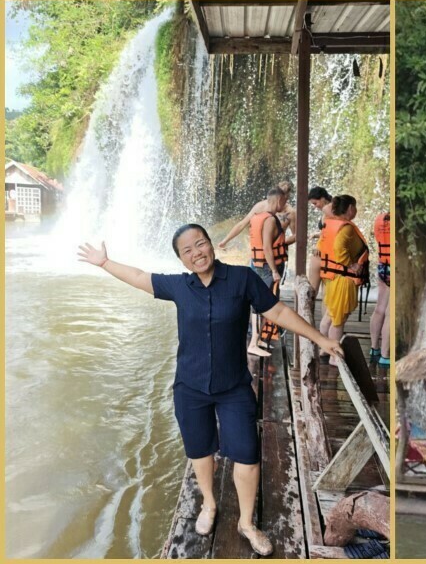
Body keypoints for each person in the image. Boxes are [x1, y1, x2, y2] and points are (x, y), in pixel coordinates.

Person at [77, 224, 343, 557]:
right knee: (200, 451)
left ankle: (246, 523)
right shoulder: (180, 286)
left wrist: (320, 338)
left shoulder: (241, 279)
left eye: (200, 244)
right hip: (190, 388)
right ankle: (209, 503)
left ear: (211, 245)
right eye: (187, 250)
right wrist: (105, 262)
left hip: (234, 386)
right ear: (181, 259)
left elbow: (277, 310)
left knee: (247, 454)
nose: (196, 253)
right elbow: (139, 276)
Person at [320, 195, 369, 366]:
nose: (356, 210)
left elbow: (321, 246)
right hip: (343, 279)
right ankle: (334, 357)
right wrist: (351, 265)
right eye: (355, 207)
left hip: (332, 277)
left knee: (329, 316)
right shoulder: (346, 228)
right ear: (350, 208)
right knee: (338, 320)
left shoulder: (329, 223)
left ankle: (323, 349)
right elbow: (338, 248)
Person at [245, 188, 288, 357]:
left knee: (264, 303)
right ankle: (253, 343)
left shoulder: (260, 217)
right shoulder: (269, 220)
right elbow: (267, 248)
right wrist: (275, 271)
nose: (285, 204)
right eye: (284, 201)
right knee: (259, 304)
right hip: (265, 268)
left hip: (260, 265)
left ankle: (258, 340)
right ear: (278, 200)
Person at [217, 180, 298, 251]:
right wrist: (224, 241)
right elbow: (242, 224)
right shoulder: (260, 207)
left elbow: (296, 236)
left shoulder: (291, 213)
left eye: (286, 198)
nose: (282, 201)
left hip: (277, 253)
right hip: (258, 252)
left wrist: (279, 243)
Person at [369, 212, 391, 375]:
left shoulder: (380, 219)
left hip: (383, 266)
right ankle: (385, 355)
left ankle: (374, 348)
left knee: (379, 309)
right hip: (392, 268)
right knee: (390, 313)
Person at [307, 187, 334, 294]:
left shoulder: (331, 210)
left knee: (312, 291)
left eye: (315, 203)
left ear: (323, 198)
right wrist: (316, 235)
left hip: (327, 255)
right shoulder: (331, 208)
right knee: (324, 292)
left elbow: (333, 233)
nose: (315, 206)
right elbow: (328, 232)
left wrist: (319, 246)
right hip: (325, 253)